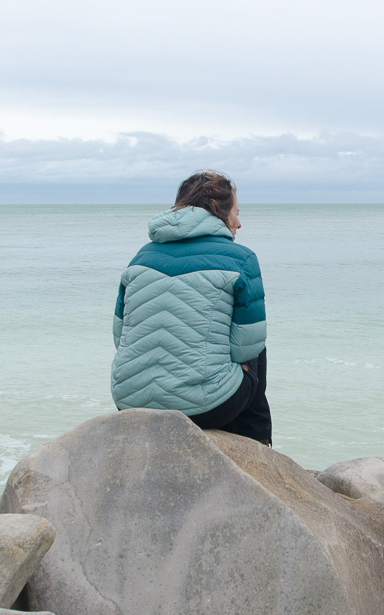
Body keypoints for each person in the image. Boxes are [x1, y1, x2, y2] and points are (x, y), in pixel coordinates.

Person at [111, 170, 272, 444]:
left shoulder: (140, 256)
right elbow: (246, 347)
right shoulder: (241, 258)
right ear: (219, 213)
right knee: (257, 350)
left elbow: (120, 336)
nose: (239, 222)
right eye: (236, 211)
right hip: (206, 410)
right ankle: (256, 448)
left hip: (130, 402)